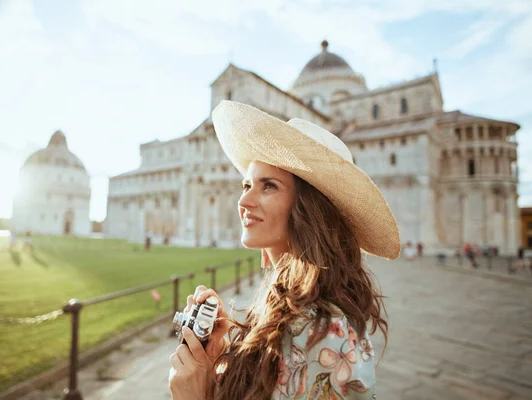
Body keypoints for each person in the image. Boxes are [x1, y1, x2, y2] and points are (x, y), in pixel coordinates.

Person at [168, 101, 401, 400]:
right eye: (246, 184)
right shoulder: (287, 302)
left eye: (269, 186)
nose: (244, 201)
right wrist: (216, 360)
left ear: (307, 209)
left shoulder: (325, 334)